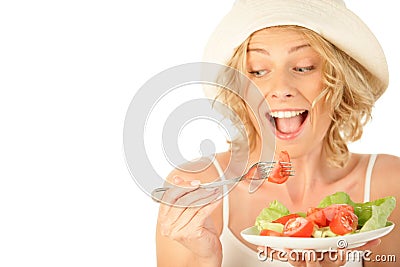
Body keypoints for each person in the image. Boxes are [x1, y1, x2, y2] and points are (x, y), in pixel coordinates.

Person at [155, 0, 400, 266]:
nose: (281, 88)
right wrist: (205, 259)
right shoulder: (200, 187)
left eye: (304, 67)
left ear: (340, 80)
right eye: (258, 71)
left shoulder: (388, 181)